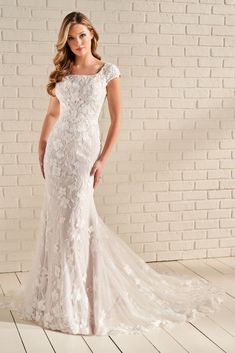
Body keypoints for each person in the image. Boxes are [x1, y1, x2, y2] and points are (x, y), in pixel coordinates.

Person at [0, 11, 226, 336]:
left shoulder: (107, 72)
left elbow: (117, 119)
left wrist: (102, 159)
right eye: (72, 38)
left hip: (83, 152)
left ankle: (82, 301)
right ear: (66, 41)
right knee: (58, 221)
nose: (77, 43)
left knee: (78, 219)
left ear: (92, 34)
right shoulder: (62, 72)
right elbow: (52, 113)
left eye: (82, 35)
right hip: (58, 151)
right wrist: (41, 146)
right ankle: (58, 297)